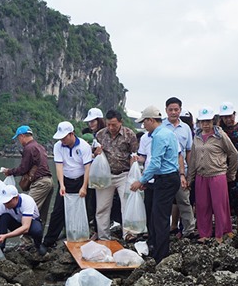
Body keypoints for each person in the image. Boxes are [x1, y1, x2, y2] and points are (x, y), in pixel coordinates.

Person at [130, 106, 180, 263]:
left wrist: (141, 180)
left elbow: (155, 163)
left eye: (144, 122)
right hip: (168, 177)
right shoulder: (168, 133)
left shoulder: (159, 136)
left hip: (165, 178)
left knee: (159, 218)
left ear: (151, 120)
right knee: (158, 216)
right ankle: (157, 249)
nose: (143, 126)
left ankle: (160, 254)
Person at [39, 121, 92, 255]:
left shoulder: (84, 146)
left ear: (71, 134)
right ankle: (48, 241)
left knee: (83, 209)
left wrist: (84, 187)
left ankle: (80, 237)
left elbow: (87, 168)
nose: (62, 140)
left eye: (64, 137)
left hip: (81, 179)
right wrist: (61, 185)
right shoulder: (58, 146)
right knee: (58, 211)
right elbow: (59, 166)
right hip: (66, 180)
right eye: (60, 138)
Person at [188, 107, 238, 243]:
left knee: (219, 205)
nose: (205, 124)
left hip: (217, 174)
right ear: (199, 123)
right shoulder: (197, 137)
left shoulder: (220, 135)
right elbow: (193, 159)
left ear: (213, 121)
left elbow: (233, 154)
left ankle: (222, 232)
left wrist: (231, 173)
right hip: (201, 175)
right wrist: (190, 178)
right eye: (203, 121)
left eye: (208, 121)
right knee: (202, 206)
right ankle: (204, 233)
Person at [93, 109, 139, 240]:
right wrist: (96, 152)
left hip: (124, 174)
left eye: (114, 125)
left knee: (126, 206)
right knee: (102, 207)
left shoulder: (129, 135)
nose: (111, 127)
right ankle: (103, 236)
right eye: (108, 124)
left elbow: (134, 154)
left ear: (120, 122)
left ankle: (128, 234)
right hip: (105, 175)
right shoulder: (100, 134)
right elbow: (94, 154)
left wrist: (133, 173)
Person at [2, 125, 54, 221]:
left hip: (40, 183)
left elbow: (23, 169)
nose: (19, 141)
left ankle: (25, 231)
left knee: (28, 209)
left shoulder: (29, 148)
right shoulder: (40, 147)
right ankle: (39, 231)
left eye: (18, 138)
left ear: (22, 136)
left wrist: (9, 172)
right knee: (41, 215)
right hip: (48, 181)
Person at [0, 185, 44, 252]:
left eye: (8, 202)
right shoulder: (1, 205)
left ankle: (38, 245)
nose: (6, 205)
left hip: (30, 223)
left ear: (16, 198)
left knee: (37, 230)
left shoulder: (27, 201)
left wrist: (6, 236)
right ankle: (0, 247)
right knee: (3, 217)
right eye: (4, 202)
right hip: (16, 223)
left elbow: (26, 228)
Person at [163, 97, 195, 235]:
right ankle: (164, 230)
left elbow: (189, 151)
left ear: (180, 110)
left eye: (176, 109)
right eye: (170, 110)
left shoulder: (186, 128)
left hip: (182, 171)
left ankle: (189, 230)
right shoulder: (161, 127)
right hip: (164, 171)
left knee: (184, 201)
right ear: (166, 110)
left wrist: (189, 173)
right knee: (164, 202)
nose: (173, 112)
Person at [218, 101, 238, 228]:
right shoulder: (219, 130)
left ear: (234, 114)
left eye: (230, 116)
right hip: (222, 165)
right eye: (225, 117)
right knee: (224, 194)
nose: (228, 120)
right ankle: (226, 222)